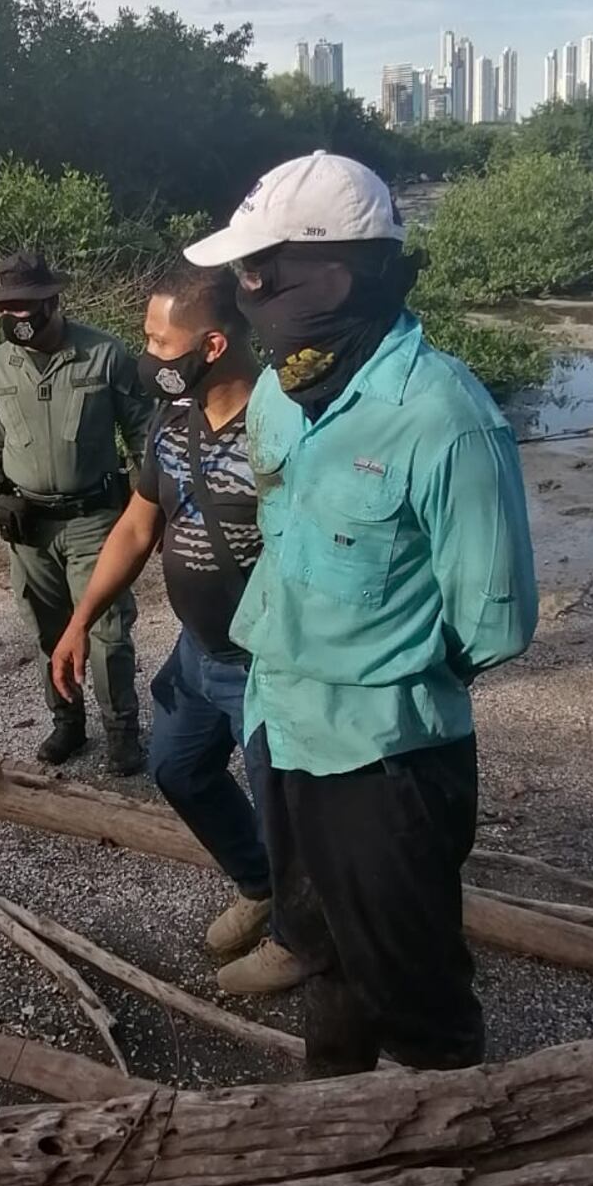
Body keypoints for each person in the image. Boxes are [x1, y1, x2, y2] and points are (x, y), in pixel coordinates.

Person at [184, 150, 538, 1076]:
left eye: (263, 271)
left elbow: (494, 626)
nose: (248, 290)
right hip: (279, 725)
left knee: (416, 997)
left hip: (384, 761)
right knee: (322, 959)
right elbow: (278, 524)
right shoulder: (278, 393)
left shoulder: (444, 417)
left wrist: (383, 667)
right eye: (242, 275)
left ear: (340, 271)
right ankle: (339, 1130)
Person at [51, 264, 306, 993]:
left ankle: (298, 937)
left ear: (215, 344)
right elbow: (138, 524)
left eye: (160, 341)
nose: (148, 356)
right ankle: (258, 885)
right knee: (177, 768)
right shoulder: (172, 420)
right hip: (198, 655)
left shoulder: (283, 426)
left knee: (287, 809)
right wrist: (80, 621)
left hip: (271, 664)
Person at [0, 251, 154, 775]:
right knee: (48, 630)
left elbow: (143, 432)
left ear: (53, 301)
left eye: (25, 305)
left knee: (107, 630)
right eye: (4, 307)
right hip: (29, 524)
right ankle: (68, 722)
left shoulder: (105, 354)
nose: (14, 316)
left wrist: (155, 503)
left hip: (94, 517)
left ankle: (121, 732)